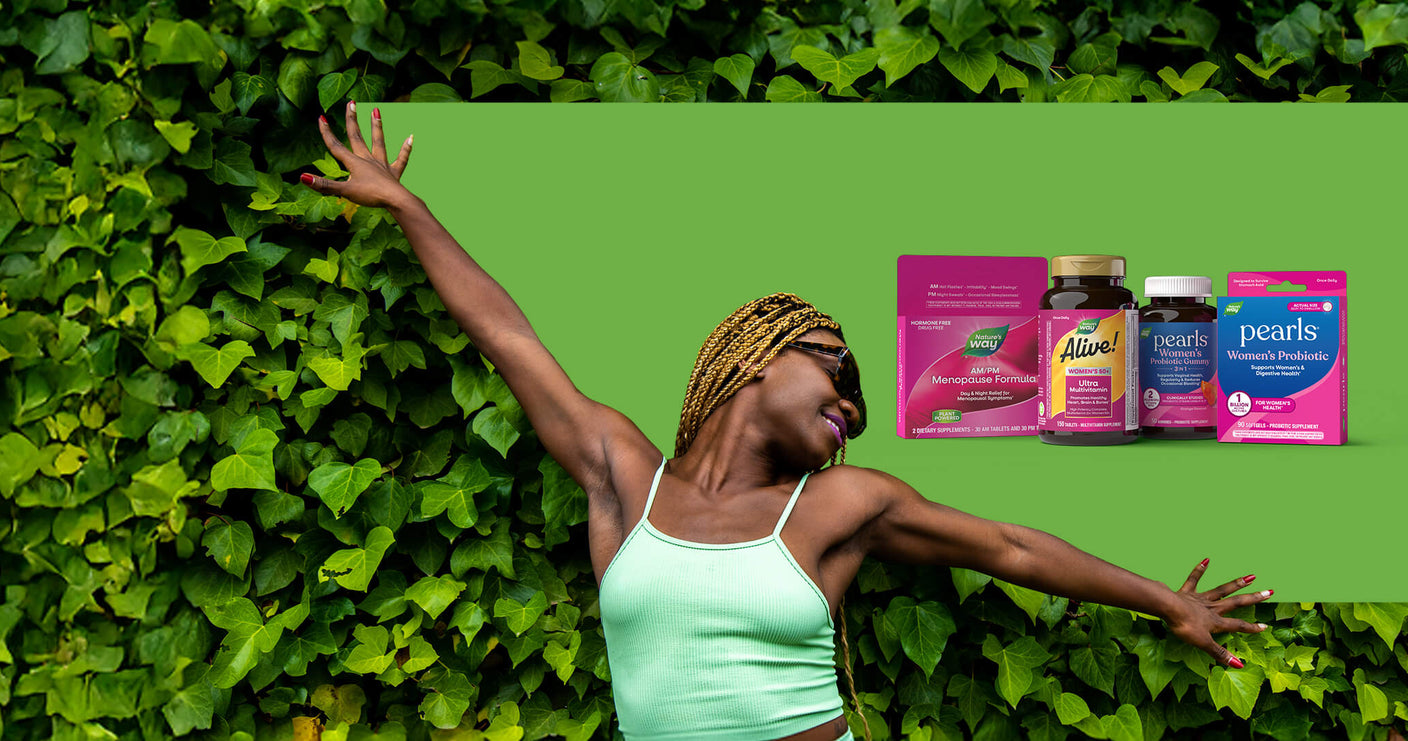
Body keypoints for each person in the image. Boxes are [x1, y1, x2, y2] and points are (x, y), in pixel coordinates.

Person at [296, 100, 1274, 741]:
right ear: (764, 358)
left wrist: (1167, 600)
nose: (849, 409)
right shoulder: (624, 475)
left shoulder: (839, 503)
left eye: (855, 404)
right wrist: (409, 208)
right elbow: (508, 337)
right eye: (837, 378)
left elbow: (1010, 547)